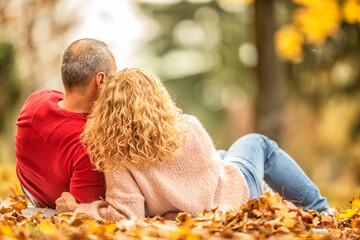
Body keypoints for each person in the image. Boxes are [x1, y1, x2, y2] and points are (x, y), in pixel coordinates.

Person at [55, 68, 332, 220]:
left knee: (223, 154)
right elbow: (213, 177)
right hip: (235, 197)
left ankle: (293, 198)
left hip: (204, 202)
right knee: (259, 143)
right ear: (157, 99)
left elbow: (126, 214)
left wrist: (81, 208)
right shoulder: (187, 126)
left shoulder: (117, 159)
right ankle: (320, 209)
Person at [15, 38, 117, 208]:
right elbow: (83, 212)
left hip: (28, 188)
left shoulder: (36, 100)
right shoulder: (90, 144)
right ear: (101, 80)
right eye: (114, 75)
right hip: (48, 201)